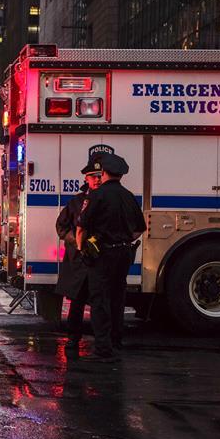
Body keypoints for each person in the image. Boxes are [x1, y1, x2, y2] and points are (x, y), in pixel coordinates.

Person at [76, 153, 147, 363]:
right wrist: (124, 239)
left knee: (100, 300)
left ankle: (103, 348)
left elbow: (81, 227)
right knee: (118, 298)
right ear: (121, 175)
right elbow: (139, 229)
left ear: (104, 172)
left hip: (102, 254)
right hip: (124, 253)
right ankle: (117, 341)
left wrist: (83, 249)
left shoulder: (96, 195)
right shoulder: (128, 196)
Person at [54, 160, 103, 351]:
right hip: (78, 260)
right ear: (86, 178)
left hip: (100, 259)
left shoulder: (107, 199)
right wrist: (76, 241)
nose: (97, 180)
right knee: (77, 302)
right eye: (93, 177)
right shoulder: (76, 202)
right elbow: (61, 227)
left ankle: (103, 341)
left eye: (99, 176)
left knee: (101, 303)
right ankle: (73, 338)